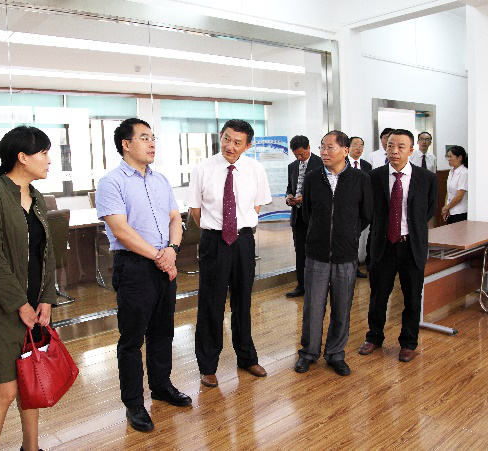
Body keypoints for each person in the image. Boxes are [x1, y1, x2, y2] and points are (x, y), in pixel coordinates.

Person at [96, 118, 191, 433]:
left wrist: (172, 250)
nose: (152, 144)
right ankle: (134, 403)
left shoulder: (160, 180)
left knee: (163, 331)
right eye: (144, 137)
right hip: (135, 266)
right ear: (126, 144)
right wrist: (160, 256)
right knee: (132, 339)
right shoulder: (111, 182)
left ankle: (161, 386)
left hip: (165, 260)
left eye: (153, 138)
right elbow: (121, 231)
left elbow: (175, 218)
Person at [0, 126, 57, 451]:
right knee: (4, 390)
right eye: (43, 153)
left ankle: (31, 448)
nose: (49, 160)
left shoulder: (36, 197)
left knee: (30, 380)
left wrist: (46, 298)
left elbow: (46, 251)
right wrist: (20, 303)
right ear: (22, 157)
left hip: (32, 303)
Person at [187, 119, 272, 388]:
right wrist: (218, 229)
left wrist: (238, 228)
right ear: (220, 137)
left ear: (248, 145)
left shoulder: (255, 169)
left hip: (244, 240)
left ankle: (246, 357)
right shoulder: (203, 168)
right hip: (214, 240)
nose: (230, 146)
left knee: (243, 301)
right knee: (211, 304)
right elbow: (196, 211)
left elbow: (256, 205)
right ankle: (208, 366)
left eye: (237, 142)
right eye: (226, 139)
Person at [294, 131, 373, 377]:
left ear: (345, 150)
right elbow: (307, 213)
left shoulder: (361, 179)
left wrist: (348, 233)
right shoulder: (312, 178)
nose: (324, 152)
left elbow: (366, 214)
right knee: (312, 308)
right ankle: (308, 353)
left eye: (330, 147)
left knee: (342, 308)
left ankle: (336, 354)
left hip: (345, 255)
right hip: (316, 254)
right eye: (322, 147)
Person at [359, 129, 437, 363]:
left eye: (401, 147)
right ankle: (374, 337)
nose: (394, 151)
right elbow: (368, 209)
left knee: (412, 298)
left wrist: (410, 229)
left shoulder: (427, 178)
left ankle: (408, 343)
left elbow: (429, 209)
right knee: (378, 296)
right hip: (383, 245)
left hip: (411, 246)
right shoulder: (374, 176)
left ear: (411, 151)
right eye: (390, 145)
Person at [285, 135, 323, 297]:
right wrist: (289, 197)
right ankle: (301, 285)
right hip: (298, 217)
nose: (299, 158)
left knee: (316, 254)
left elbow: (324, 192)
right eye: (296, 155)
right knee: (300, 253)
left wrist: (305, 199)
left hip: (315, 218)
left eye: (301, 154)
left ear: (309, 148)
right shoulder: (292, 166)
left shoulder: (321, 164)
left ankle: (318, 286)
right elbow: (290, 187)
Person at [348, 136, 372, 278]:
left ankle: (355, 267)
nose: (358, 148)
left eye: (361, 145)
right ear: (348, 148)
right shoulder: (343, 164)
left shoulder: (367, 166)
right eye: (355, 145)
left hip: (361, 208)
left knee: (356, 238)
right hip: (347, 208)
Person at [442, 145, 468, 224]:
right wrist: (446, 208)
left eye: (451, 156)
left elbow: (459, 196)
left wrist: (447, 208)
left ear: (459, 158)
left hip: (460, 213)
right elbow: (448, 192)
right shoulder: (451, 171)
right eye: (448, 156)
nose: (448, 159)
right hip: (450, 211)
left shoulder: (464, 172)